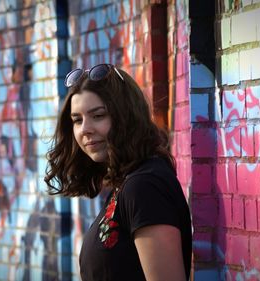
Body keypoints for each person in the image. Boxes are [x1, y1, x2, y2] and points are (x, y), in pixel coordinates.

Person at [45, 64, 192, 281]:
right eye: (77, 120)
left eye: (98, 115)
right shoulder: (127, 183)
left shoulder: (144, 187)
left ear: (126, 116)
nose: (85, 129)